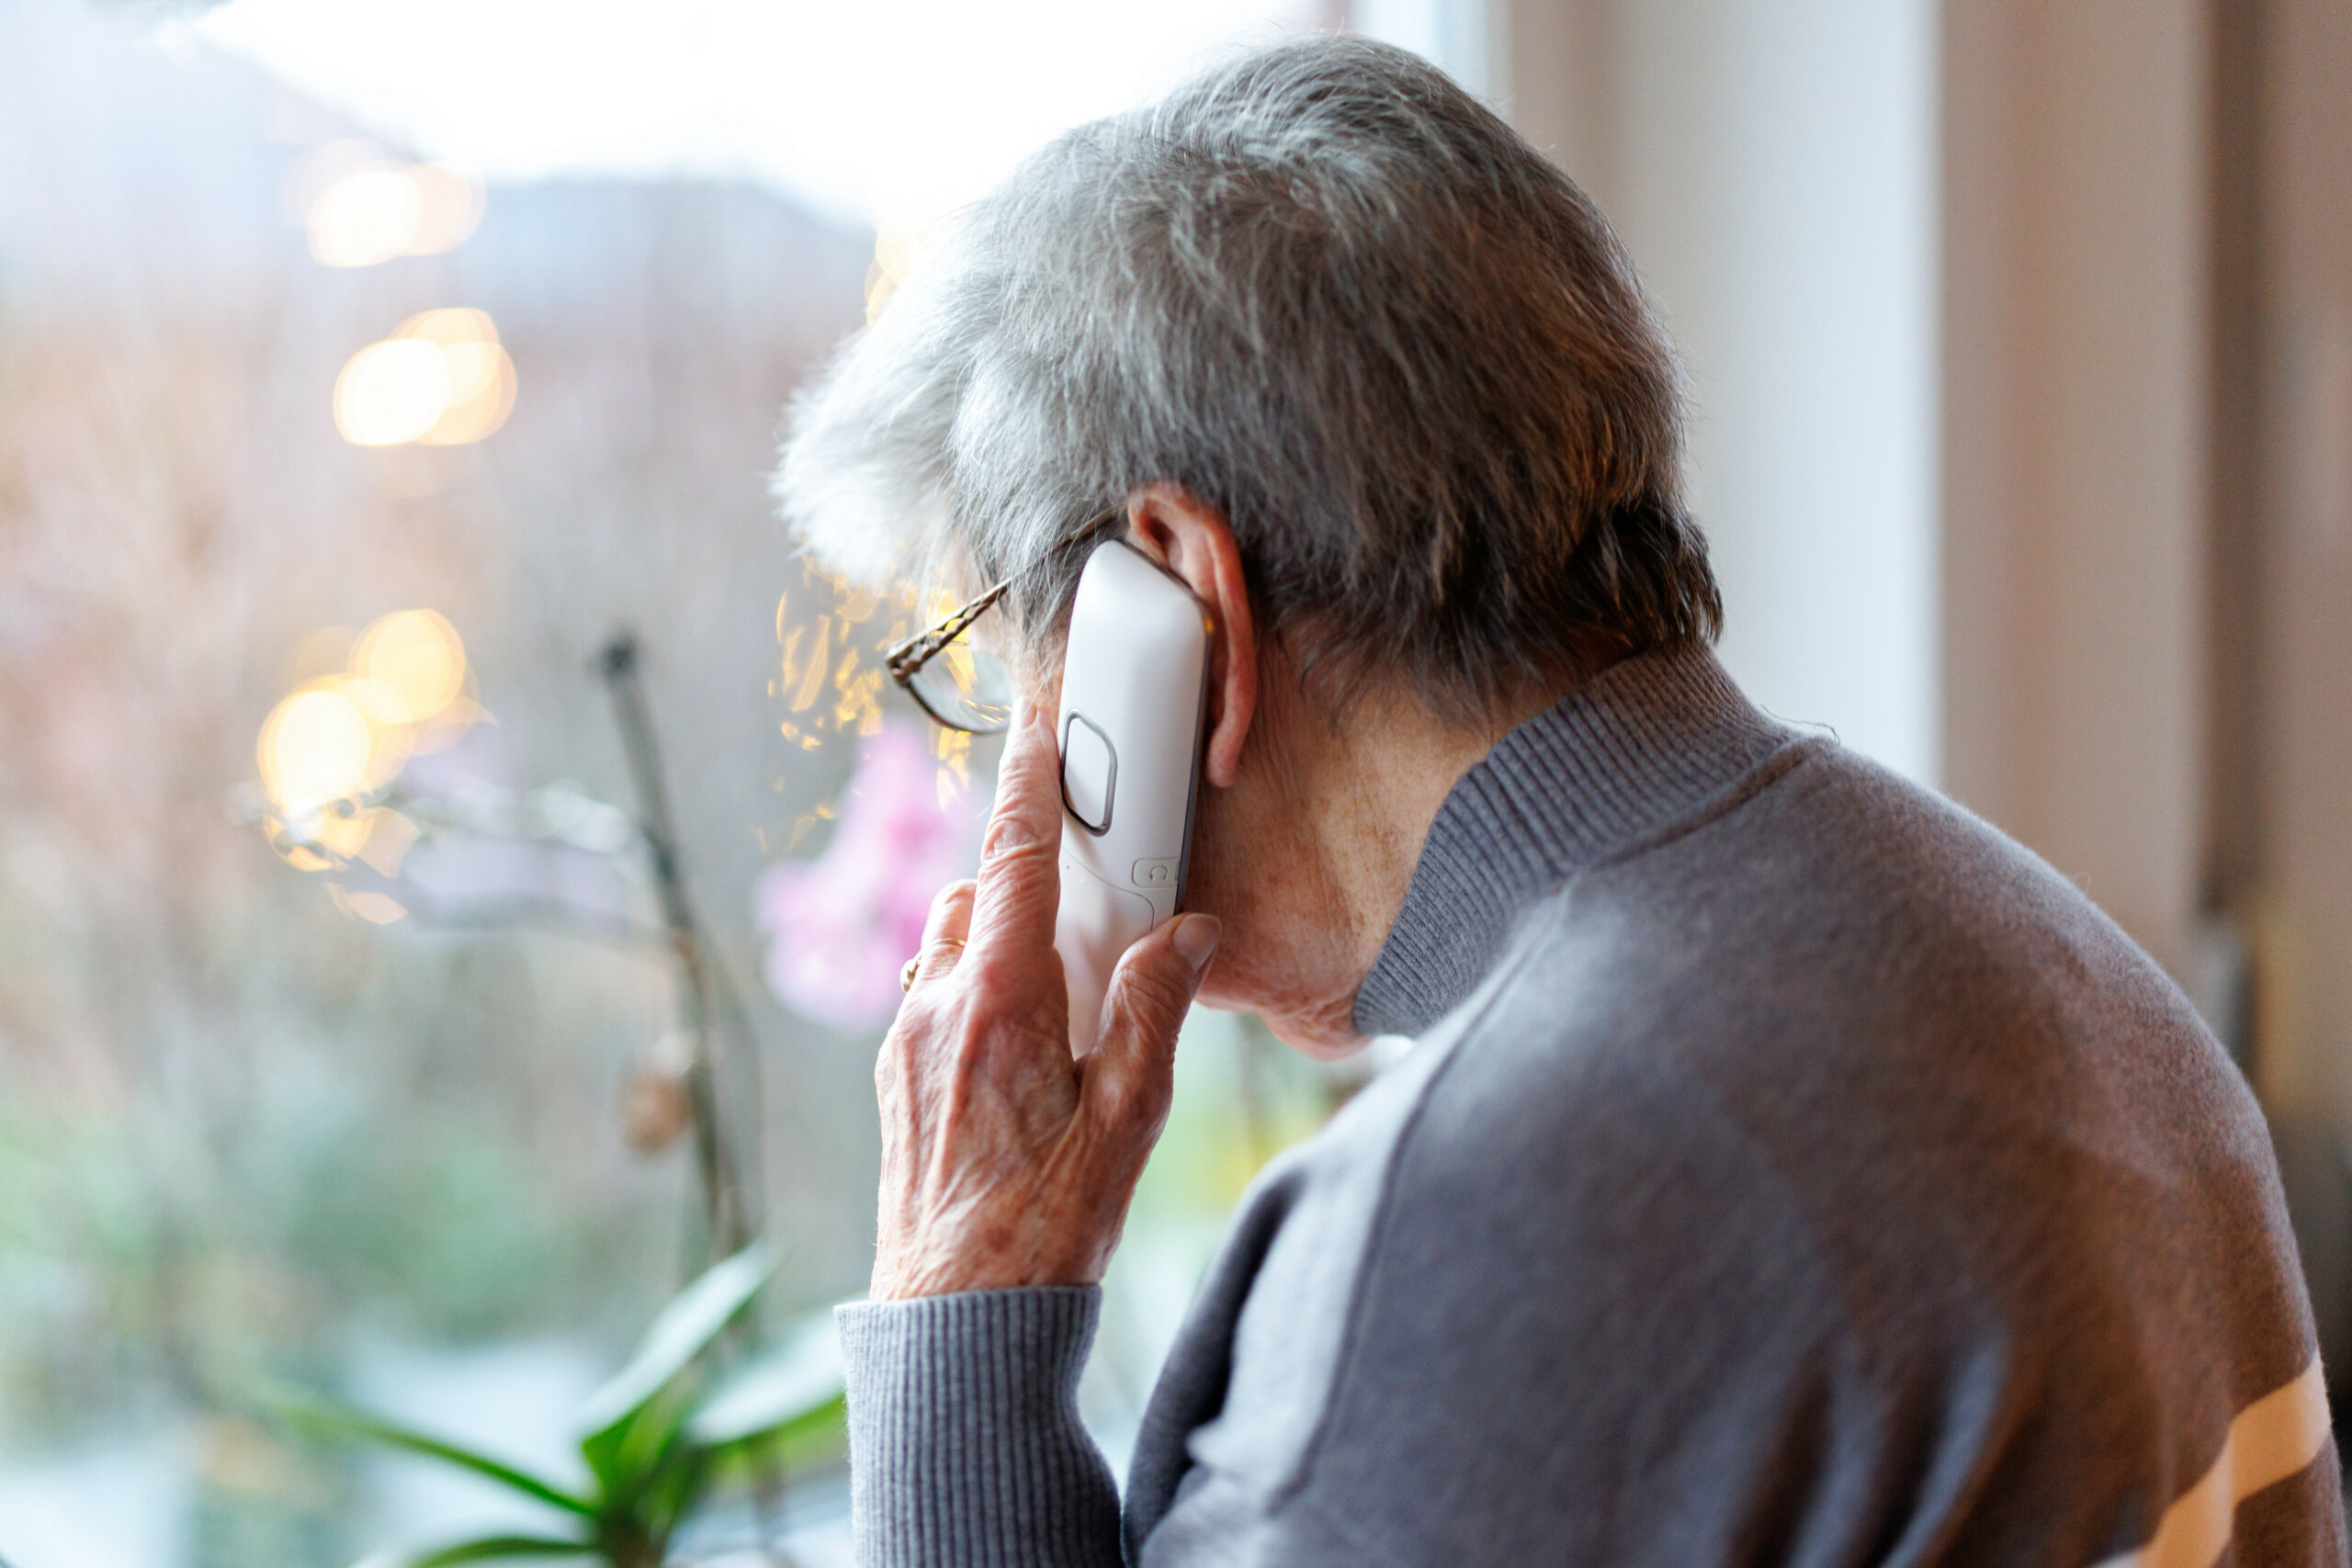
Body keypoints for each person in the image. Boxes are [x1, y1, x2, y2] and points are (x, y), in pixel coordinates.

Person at [774, 36, 2343, 1568]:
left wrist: (956, 1301)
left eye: (1010, 655)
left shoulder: (1490, 1225)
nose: (1009, 753)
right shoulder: (2081, 981)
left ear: (1182, 606)